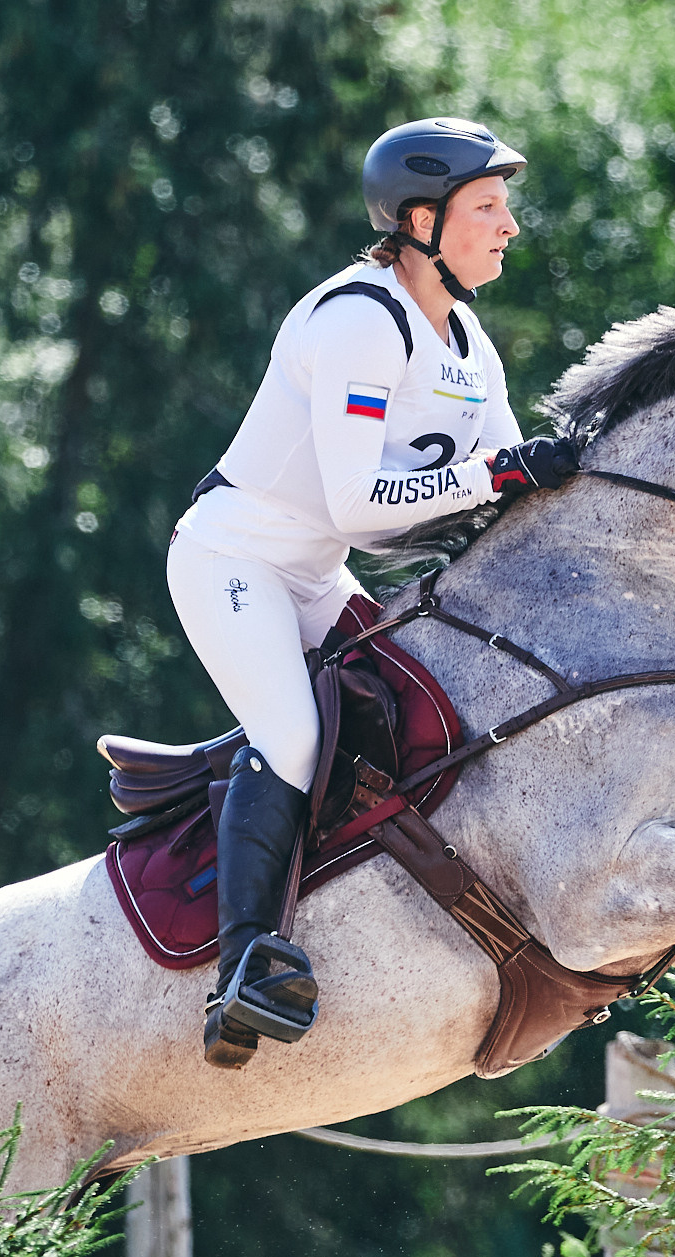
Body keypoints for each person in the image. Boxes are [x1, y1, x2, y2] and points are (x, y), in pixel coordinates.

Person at [170, 116, 582, 1069]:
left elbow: (501, 485)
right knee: (296, 737)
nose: (509, 226)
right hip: (236, 560)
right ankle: (241, 969)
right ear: (421, 220)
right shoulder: (361, 319)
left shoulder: (470, 343)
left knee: (420, 704)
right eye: (488, 207)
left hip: (312, 573)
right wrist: (502, 474)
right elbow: (365, 507)